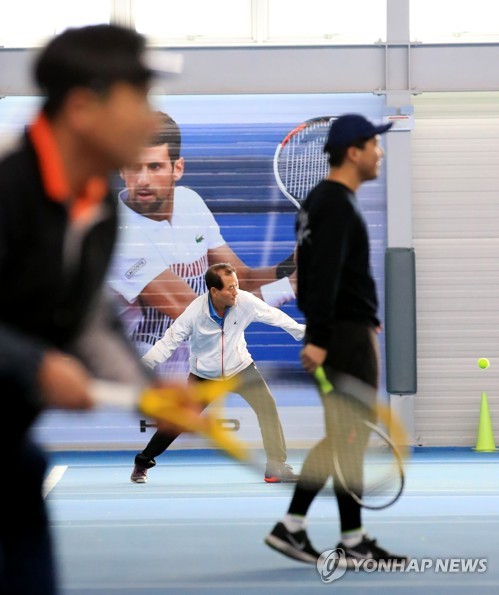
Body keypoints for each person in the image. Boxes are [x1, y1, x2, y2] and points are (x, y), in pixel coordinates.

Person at [0, 24, 193, 594]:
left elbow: (86, 320)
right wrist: (32, 365)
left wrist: (148, 388)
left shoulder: (97, 209)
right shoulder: (5, 186)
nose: (150, 119)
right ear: (83, 107)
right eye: (140, 98)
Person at [265, 114, 409, 567]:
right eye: (374, 144)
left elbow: (323, 274)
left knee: (343, 436)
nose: (380, 152)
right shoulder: (335, 204)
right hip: (343, 338)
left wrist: (362, 316)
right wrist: (324, 337)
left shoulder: (322, 202)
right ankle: (336, 536)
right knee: (349, 435)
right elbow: (321, 276)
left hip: (348, 329)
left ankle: (311, 530)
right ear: (353, 151)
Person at [107, 111, 298, 382]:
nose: (143, 180)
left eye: (155, 167)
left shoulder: (189, 203)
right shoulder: (118, 233)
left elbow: (240, 279)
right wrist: (291, 286)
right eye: (134, 167)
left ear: (178, 168)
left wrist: (292, 264)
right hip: (141, 385)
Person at [131, 262, 304, 484]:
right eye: (230, 288)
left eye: (237, 285)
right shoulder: (194, 312)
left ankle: (276, 467)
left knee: (267, 409)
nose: (236, 292)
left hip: (241, 368)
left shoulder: (244, 301)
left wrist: (304, 333)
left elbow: (276, 316)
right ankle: (143, 461)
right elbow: (168, 343)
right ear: (214, 291)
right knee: (179, 420)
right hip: (204, 376)